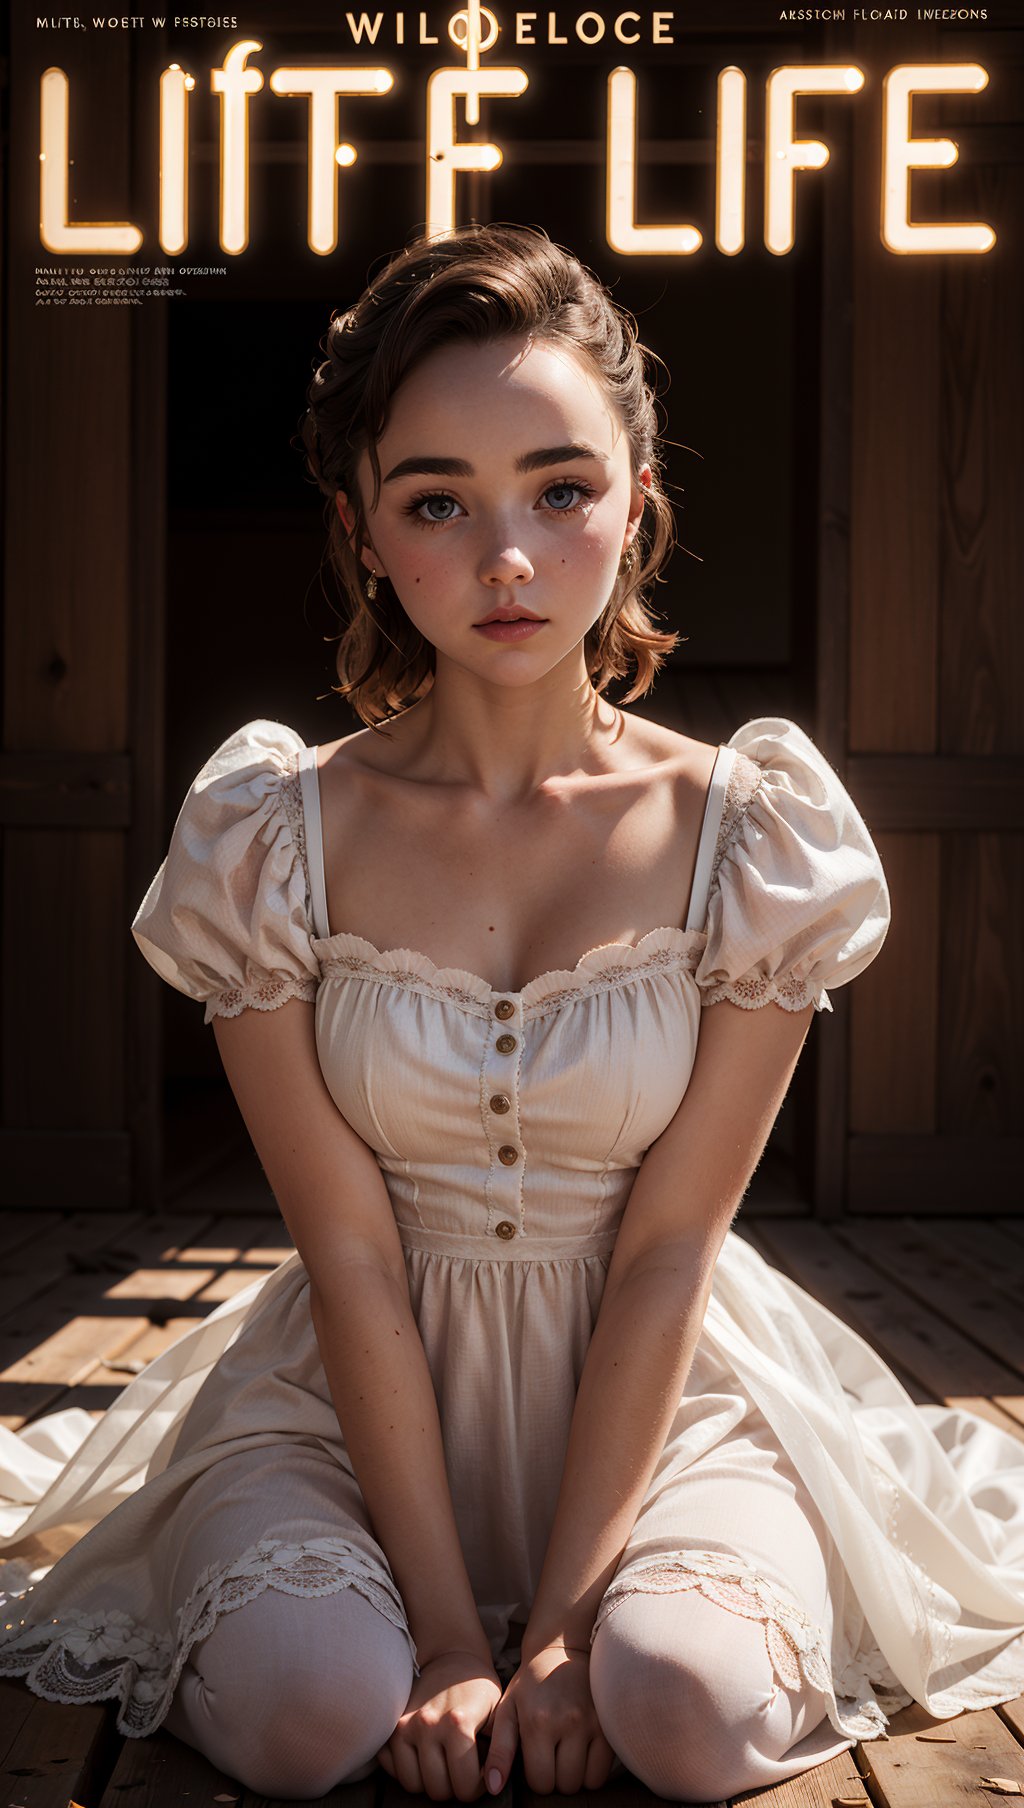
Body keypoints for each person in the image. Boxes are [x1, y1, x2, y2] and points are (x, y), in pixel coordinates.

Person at [2, 223, 1024, 1805]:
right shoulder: (274, 833)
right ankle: (373, 1615)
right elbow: (345, 1248)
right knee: (305, 1719)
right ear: (360, 529)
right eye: (437, 502)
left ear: (638, 501)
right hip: (345, 1407)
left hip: (673, 1395)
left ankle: (636, 1600)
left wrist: (552, 1632)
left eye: (560, 489)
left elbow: (675, 1242)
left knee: (679, 1710)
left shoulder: (747, 830)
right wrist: (441, 1639)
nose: (507, 561)